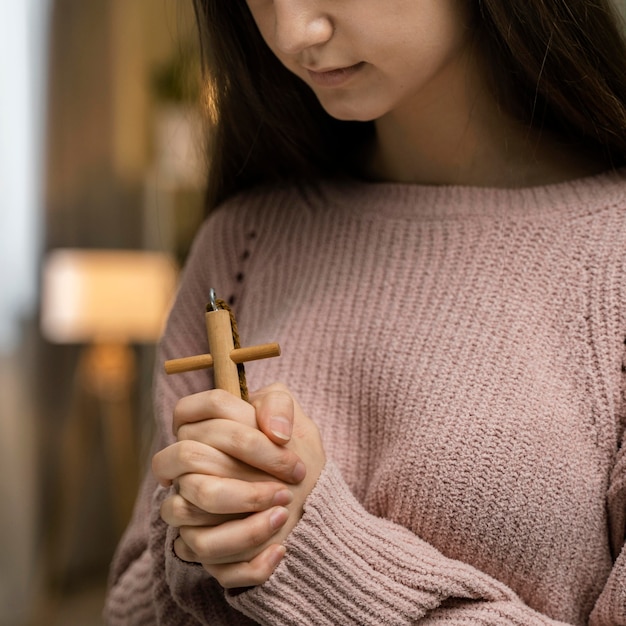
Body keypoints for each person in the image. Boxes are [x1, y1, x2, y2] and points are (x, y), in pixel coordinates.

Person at [104, 0, 626, 623]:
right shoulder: (243, 243)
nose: (293, 33)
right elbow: (127, 607)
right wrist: (198, 545)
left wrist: (312, 550)